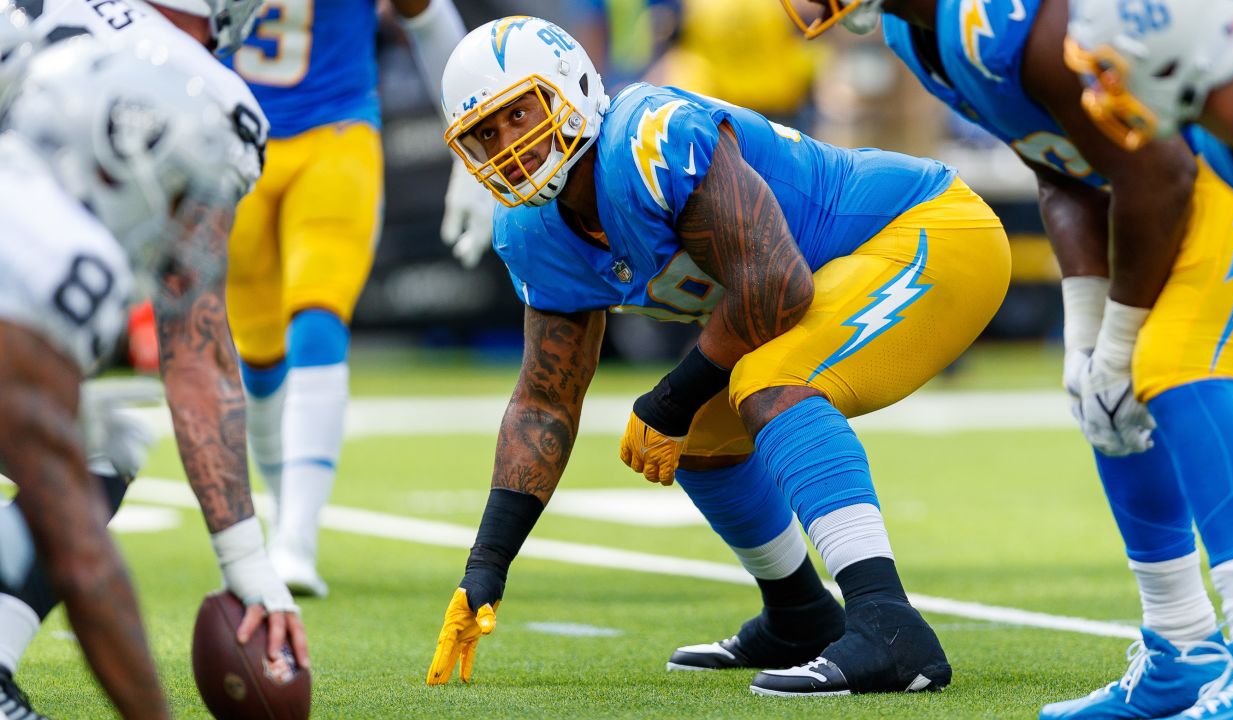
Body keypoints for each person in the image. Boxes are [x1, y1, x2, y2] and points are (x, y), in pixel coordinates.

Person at [425, 15, 1011, 698]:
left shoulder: (648, 138)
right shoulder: (531, 228)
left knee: (765, 380)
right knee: (699, 434)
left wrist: (669, 395)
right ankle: (799, 614)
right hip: (832, 278)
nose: (509, 146)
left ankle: (890, 628)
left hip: (930, 231)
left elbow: (776, 286)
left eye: (518, 115)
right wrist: (486, 567)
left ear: (573, 87)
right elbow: (544, 401)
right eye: (485, 136)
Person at [776, 0, 1233, 717]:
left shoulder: (1009, 23)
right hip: (1173, 175)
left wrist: (1123, 328)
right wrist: (1087, 326)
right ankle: (1181, 647)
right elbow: (1065, 167)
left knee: (1171, 359)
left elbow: (1152, 169)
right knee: (1105, 396)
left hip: (1202, 172)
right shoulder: (922, 36)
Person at [0, 0, 310, 715]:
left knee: (89, 442)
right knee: (85, 455)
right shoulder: (205, 104)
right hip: (35, 292)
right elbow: (193, 343)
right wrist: (245, 560)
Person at [225, 0, 491, 598]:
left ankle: (296, 537)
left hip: (334, 134)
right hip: (232, 139)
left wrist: (472, 151)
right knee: (257, 356)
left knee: (318, 320)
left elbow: (428, 20)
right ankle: (283, 510)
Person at [1061, 3, 1233, 716]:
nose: (1101, 93)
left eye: (1109, 71)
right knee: (1168, 359)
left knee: (1177, 358)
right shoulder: (1227, 135)